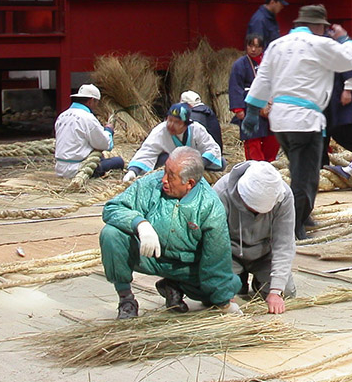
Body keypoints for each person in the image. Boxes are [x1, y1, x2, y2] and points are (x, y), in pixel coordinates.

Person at [241, 3, 352, 240]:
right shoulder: (320, 44)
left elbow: (263, 79)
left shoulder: (277, 45)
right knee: (306, 177)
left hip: (280, 121)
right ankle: (293, 224)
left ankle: (303, 215)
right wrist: (344, 38)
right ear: (318, 26)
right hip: (305, 121)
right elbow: (351, 60)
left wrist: (253, 111)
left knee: (298, 170)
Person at [99, 146, 242, 319]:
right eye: (165, 171)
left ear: (189, 183)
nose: (164, 179)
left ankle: (173, 286)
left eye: (171, 176)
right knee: (111, 234)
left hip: (187, 266)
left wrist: (223, 302)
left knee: (215, 292)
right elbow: (113, 208)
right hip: (150, 255)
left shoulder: (210, 206)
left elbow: (216, 258)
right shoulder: (151, 184)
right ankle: (126, 300)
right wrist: (140, 224)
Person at [213, 160, 296, 313]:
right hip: (230, 254)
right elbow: (214, 243)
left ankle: (260, 281)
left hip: (265, 254)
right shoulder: (221, 191)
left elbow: (284, 244)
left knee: (287, 292)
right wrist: (223, 282)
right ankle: (238, 278)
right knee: (213, 295)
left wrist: (276, 290)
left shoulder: (284, 196)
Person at [122, 103, 225, 183]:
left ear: (186, 124)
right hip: (172, 165)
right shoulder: (160, 130)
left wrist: (198, 164)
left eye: (177, 122)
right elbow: (148, 151)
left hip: (196, 164)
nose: (171, 125)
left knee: (222, 162)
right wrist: (133, 171)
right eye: (169, 120)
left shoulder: (196, 129)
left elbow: (211, 148)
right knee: (162, 160)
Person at [54, 83, 125, 179]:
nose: (96, 106)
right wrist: (108, 130)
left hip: (60, 168)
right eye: (97, 103)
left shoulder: (62, 116)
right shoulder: (88, 118)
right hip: (79, 169)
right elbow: (104, 144)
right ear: (91, 101)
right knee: (118, 161)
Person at [229, 34, 280, 162]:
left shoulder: (270, 63)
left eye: (257, 46)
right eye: (250, 45)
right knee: (253, 142)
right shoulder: (240, 65)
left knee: (272, 139)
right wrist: (238, 109)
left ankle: (269, 165)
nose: (253, 49)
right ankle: (255, 168)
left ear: (263, 48)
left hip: (270, 106)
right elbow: (235, 86)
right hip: (249, 106)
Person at [321, 67, 352, 169]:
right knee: (320, 138)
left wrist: (348, 89)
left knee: (344, 132)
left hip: (338, 93)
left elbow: (348, 62)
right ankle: (321, 170)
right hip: (320, 96)